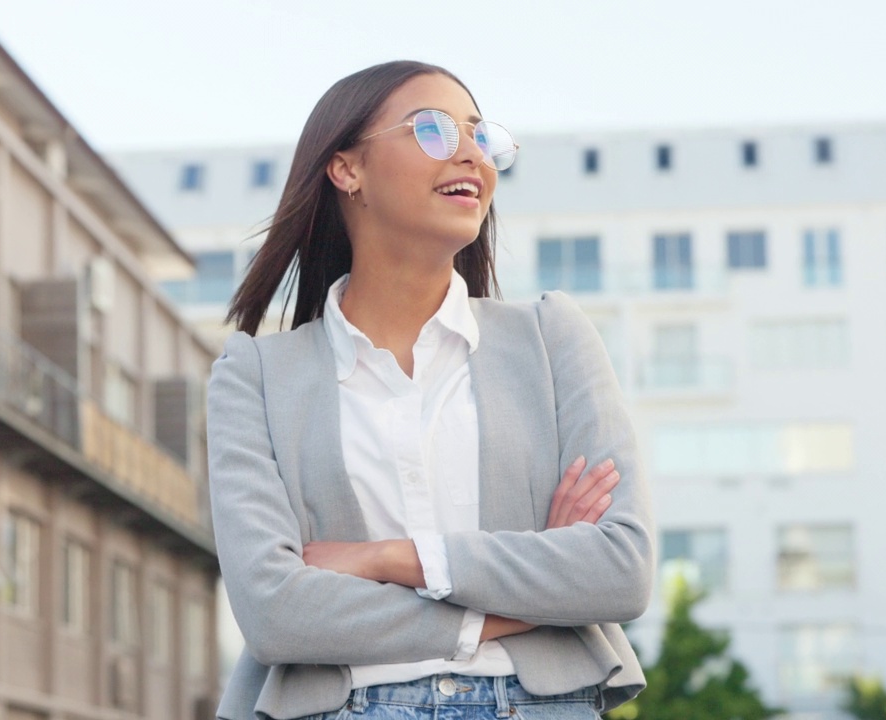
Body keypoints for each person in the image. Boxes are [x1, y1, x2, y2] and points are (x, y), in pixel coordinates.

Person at [207, 60, 655, 720]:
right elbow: (276, 614)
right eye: (435, 130)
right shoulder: (256, 377)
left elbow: (618, 568)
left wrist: (388, 559)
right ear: (347, 169)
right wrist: (522, 597)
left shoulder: (551, 338)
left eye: (479, 135)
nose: (471, 153)